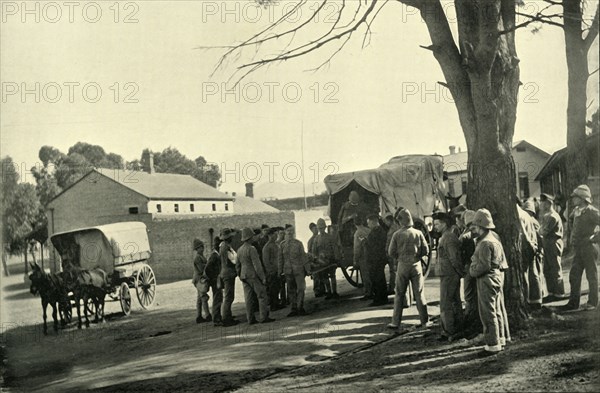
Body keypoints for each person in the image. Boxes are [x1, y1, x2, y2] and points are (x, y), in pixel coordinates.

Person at [469, 209, 510, 355]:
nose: (474, 229)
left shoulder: (485, 243)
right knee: (496, 310)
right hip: (497, 277)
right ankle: (501, 338)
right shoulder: (494, 239)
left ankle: (492, 344)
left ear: (481, 226)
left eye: (475, 226)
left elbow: (484, 266)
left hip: (487, 279)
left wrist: (472, 271)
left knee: (488, 312)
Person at [387, 208, 430, 333]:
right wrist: (417, 257)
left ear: (400, 221)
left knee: (399, 294)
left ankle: (395, 322)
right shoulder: (418, 233)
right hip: (416, 265)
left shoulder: (397, 234)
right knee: (419, 294)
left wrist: (400, 258)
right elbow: (426, 250)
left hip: (402, 265)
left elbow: (391, 252)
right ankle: (424, 321)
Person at [561, 185, 600, 311]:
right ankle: (573, 303)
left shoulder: (591, 211)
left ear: (583, 198)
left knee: (591, 275)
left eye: (575, 197)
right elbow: (571, 221)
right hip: (578, 249)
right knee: (574, 275)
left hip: (589, 247)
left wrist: (594, 238)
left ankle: (593, 302)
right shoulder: (576, 211)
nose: (573, 199)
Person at [433, 212, 464, 341]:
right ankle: (457, 327)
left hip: (449, 274)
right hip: (448, 273)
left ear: (444, 224)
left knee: (446, 303)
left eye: (437, 224)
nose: (435, 227)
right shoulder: (445, 237)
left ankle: (449, 331)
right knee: (454, 301)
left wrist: (459, 271)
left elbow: (454, 257)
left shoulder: (449, 237)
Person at [236, 227, 275, 324]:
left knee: (248, 298)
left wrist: (240, 275)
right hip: (253, 275)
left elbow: (237, 265)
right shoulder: (252, 249)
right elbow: (257, 265)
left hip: (244, 276)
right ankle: (264, 316)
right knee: (261, 295)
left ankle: (250, 319)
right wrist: (263, 277)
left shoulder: (239, 250)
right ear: (250, 238)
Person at [538, 193, 566, 301]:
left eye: (543, 202)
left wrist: (539, 230)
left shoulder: (552, 216)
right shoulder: (547, 216)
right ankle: (552, 292)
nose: (541, 204)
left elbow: (543, 231)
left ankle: (559, 293)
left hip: (553, 243)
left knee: (555, 268)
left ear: (549, 203)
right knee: (548, 269)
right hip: (548, 244)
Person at [459, 209, 482, 338]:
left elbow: (463, 254)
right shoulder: (477, 234)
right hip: (476, 266)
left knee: (468, 294)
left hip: (469, 266)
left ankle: (469, 315)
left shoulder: (466, 236)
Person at [279, 225, 310, 316]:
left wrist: (307, 269)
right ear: (285, 233)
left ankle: (300, 307)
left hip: (298, 270)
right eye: (288, 231)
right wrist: (280, 271)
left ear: (293, 233)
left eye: (291, 231)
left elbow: (303, 257)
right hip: (288, 271)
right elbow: (280, 259)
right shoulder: (282, 245)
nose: (289, 233)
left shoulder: (298, 244)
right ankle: (294, 308)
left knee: (301, 288)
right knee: (291, 290)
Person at [519, 200, 544, 310]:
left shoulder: (531, 220)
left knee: (532, 275)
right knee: (534, 275)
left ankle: (533, 300)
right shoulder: (530, 219)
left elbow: (538, 236)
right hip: (533, 248)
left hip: (531, 249)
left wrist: (538, 249)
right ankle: (536, 299)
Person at [312, 218, 340, 299]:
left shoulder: (330, 237)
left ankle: (334, 292)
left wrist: (337, 258)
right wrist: (316, 259)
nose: (321, 230)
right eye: (319, 228)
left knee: (332, 276)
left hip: (331, 260)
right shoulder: (316, 239)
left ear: (325, 227)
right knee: (325, 277)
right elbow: (314, 251)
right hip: (322, 262)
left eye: (322, 228)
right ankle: (329, 292)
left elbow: (335, 248)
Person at [365, 214, 389, 306]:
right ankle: (381, 298)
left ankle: (379, 299)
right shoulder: (379, 231)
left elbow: (376, 246)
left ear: (373, 222)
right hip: (377, 259)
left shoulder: (378, 232)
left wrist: (365, 243)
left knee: (378, 279)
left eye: (369, 223)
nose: (368, 225)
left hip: (376, 259)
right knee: (379, 279)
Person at [219, 228, 239, 327]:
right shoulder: (226, 247)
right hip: (228, 273)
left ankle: (227, 316)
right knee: (228, 297)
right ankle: (226, 318)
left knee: (227, 296)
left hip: (225, 272)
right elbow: (233, 260)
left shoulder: (222, 246)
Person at [192, 239, 211, 323]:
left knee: (199, 298)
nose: (202, 249)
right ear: (197, 249)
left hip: (198, 279)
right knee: (203, 297)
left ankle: (199, 316)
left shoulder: (200, 257)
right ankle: (207, 315)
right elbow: (201, 269)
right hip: (199, 280)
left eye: (202, 247)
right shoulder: (198, 258)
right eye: (200, 247)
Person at [206, 237, 224, 326]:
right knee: (217, 298)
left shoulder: (215, 255)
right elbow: (208, 268)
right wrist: (214, 278)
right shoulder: (214, 256)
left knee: (218, 298)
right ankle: (216, 319)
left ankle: (217, 316)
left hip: (216, 280)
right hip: (215, 281)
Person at [262, 228, 282, 311]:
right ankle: (273, 305)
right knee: (272, 289)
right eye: (274, 234)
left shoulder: (275, 245)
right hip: (272, 272)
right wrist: (271, 271)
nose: (276, 235)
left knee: (277, 288)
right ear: (270, 235)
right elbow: (266, 261)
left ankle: (276, 303)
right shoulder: (267, 247)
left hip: (277, 270)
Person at [353, 218, 372, 300]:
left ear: (355, 225)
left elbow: (357, 247)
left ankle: (368, 293)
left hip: (363, 257)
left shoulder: (357, 233)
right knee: (371, 273)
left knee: (365, 275)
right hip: (371, 255)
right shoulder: (368, 230)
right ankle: (373, 290)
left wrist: (355, 259)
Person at [307, 223, 326, 297]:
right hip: (315, 260)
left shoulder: (320, 237)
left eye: (317, 228)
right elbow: (309, 252)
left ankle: (323, 290)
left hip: (321, 259)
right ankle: (317, 291)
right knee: (316, 276)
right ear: (311, 230)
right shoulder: (311, 240)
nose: (316, 230)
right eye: (314, 229)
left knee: (322, 275)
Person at [383, 213, 399, 294]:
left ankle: (393, 287)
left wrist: (387, 251)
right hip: (395, 252)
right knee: (394, 270)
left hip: (392, 252)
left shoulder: (392, 230)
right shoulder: (396, 227)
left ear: (390, 221)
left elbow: (389, 242)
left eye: (386, 222)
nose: (386, 223)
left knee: (393, 271)